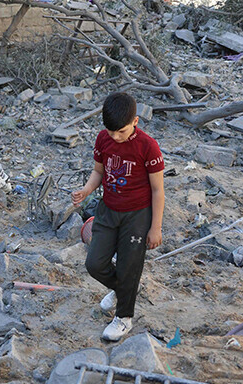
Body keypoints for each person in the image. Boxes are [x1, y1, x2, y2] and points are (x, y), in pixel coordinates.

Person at [72, 92, 165, 341]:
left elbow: (158, 190)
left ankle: (124, 317)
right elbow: (98, 172)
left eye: (121, 131)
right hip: (108, 210)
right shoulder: (103, 139)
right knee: (95, 263)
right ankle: (122, 288)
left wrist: (155, 227)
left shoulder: (148, 146)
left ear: (135, 121)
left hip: (137, 216)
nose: (115, 137)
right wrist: (86, 190)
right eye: (111, 131)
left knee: (128, 266)